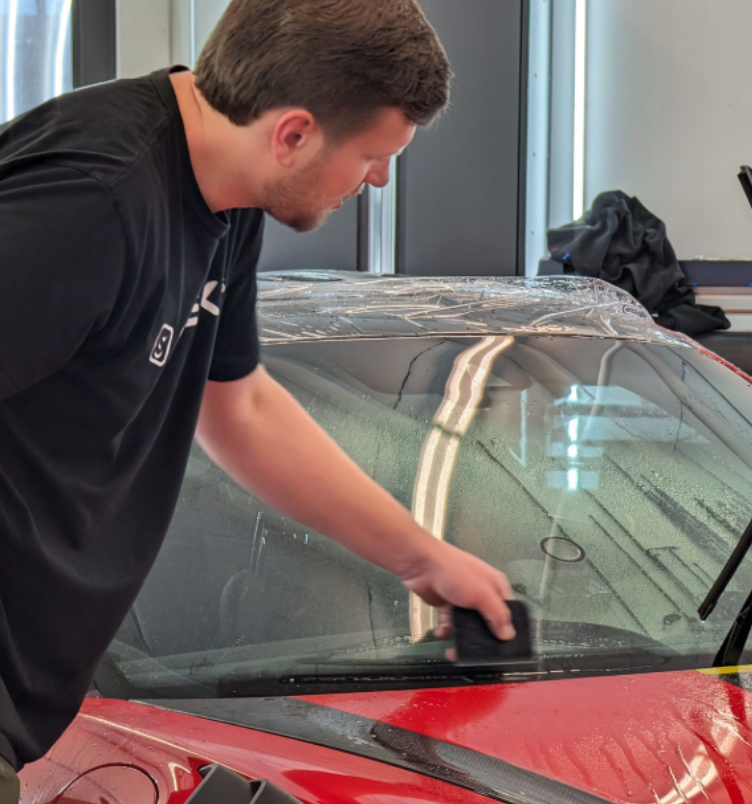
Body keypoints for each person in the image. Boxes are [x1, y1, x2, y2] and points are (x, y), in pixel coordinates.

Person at [0, 0, 516, 799]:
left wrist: (425, 558)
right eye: (376, 156)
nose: (378, 181)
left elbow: (238, 406)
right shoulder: (92, 201)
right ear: (294, 134)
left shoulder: (226, 199)